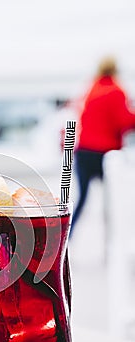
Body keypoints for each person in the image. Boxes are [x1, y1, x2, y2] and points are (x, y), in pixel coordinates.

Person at [71, 57, 135, 235]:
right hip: (103, 153)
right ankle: (113, 240)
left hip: (83, 151)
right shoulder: (116, 90)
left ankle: (66, 239)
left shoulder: (91, 88)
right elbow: (124, 121)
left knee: (82, 199)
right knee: (113, 201)